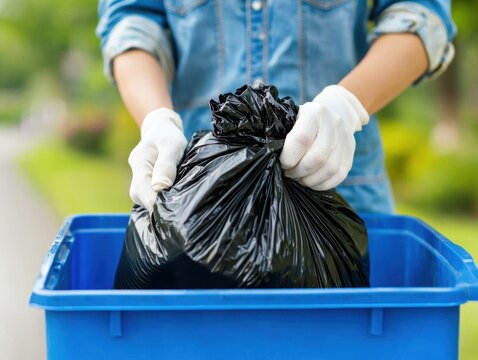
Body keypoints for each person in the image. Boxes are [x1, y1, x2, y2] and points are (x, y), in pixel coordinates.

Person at [96, 0, 455, 213]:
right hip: (197, 197)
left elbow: (422, 15)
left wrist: (347, 105)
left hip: (341, 194)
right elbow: (132, 22)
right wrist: (156, 120)